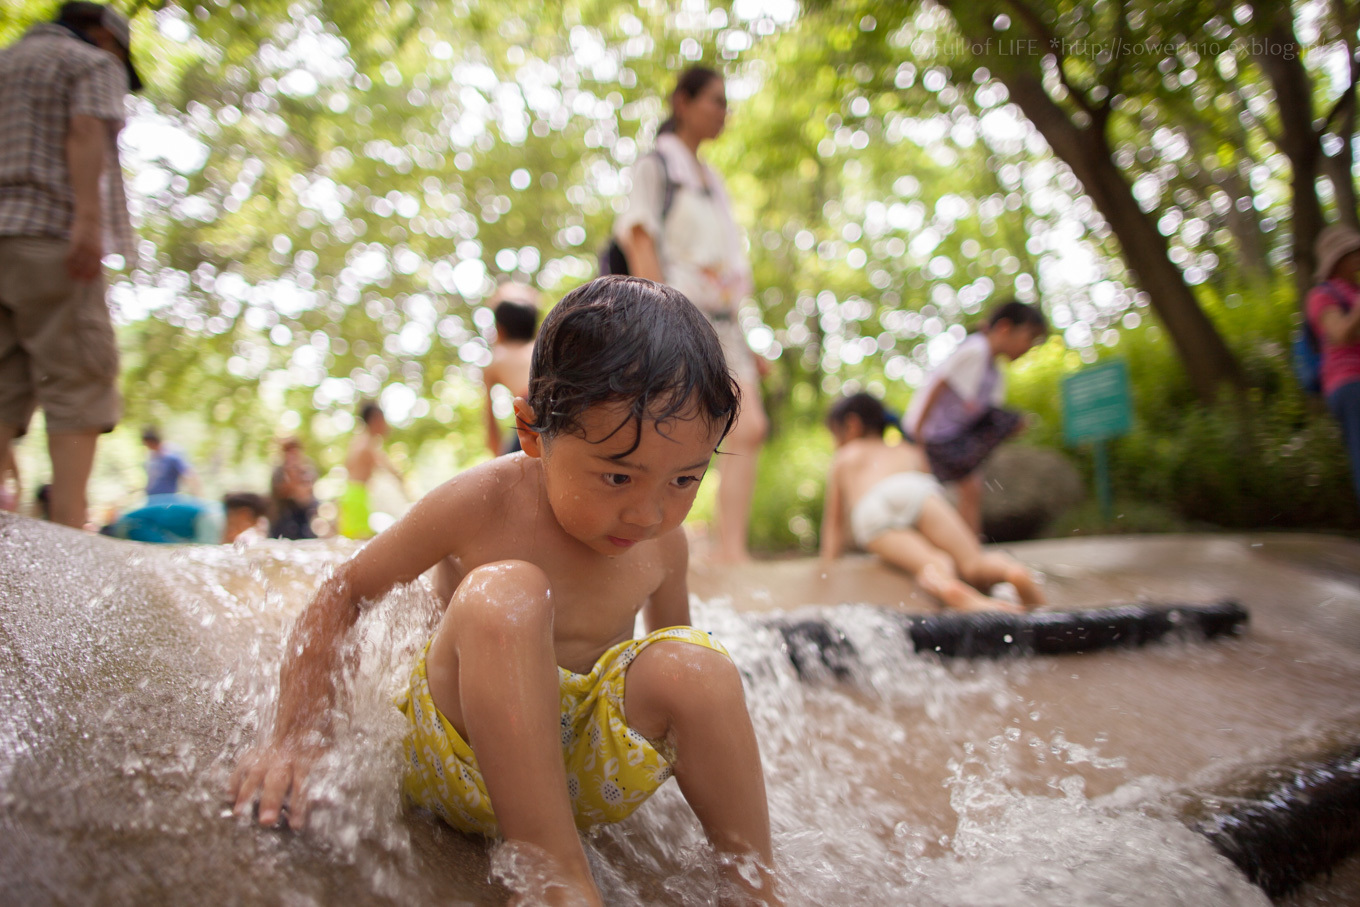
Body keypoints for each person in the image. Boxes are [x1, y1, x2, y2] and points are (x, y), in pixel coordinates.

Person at [230, 277, 781, 906]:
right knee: (509, 593)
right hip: (460, 753)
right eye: (617, 475)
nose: (648, 513)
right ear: (531, 430)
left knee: (694, 661)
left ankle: (754, 886)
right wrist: (297, 733)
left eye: (686, 478)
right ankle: (552, 876)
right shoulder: (482, 502)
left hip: (578, 775)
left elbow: (672, 683)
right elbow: (344, 593)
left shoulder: (664, 546)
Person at [614, 66, 769, 563]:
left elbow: (725, 268)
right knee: (672, 429)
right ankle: (650, 552)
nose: (724, 111)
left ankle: (732, 553)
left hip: (725, 323)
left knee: (749, 427)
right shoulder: (656, 166)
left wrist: (749, 339)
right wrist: (656, 320)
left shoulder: (713, 181)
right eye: (715, 100)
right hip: (679, 317)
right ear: (683, 101)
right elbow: (639, 236)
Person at [0, 2, 142, 529]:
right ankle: (67, 540)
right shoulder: (89, 64)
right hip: (52, 238)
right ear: (105, 35)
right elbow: (85, 131)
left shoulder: (5, 62)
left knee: (3, 389)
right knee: (80, 385)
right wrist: (87, 222)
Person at [822, 393, 1044, 613]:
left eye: (835, 433)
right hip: (916, 489)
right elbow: (929, 491)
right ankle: (1013, 573)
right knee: (974, 562)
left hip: (872, 506)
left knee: (934, 562)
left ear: (852, 424)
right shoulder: (909, 451)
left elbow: (834, 524)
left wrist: (828, 568)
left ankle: (951, 591)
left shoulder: (846, 455)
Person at [903, 299, 1048, 536]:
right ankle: (956, 546)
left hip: (952, 437)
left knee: (971, 488)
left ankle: (969, 547)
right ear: (1004, 328)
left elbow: (985, 412)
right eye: (1029, 337)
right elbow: (937, 386)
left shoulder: (995, 371)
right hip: (934, 436)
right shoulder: (976, 349)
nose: (1029, 347)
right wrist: (918, 435)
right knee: (942, 490)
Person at [1307, 224, 1360, 505]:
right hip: (1349, 382)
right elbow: (1339, 334)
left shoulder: (1353, 291)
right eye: (1352, 253)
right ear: (1338, 260)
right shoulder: (1322, 295)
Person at [481, 281, 540, 456]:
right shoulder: (540, 347)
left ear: (500, 329)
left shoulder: (497, 358)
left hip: (532, 405)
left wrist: (498, 456)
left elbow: (490, 421)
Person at [338, 401, 403, 539]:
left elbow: (347, 466)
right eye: (383, 420)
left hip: (350, 493)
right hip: (358, 495)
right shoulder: (368, 445)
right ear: (375, 420)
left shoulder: (357, 441)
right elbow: (390, 469)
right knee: (359, 540)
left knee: (352, 540)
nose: (386, 425)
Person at [101, 490, 268, 544]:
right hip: (133, 525)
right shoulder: (215, 519)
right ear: (245, 514)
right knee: (176, 552)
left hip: (130, 521)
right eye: (250, 524)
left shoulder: (214, 510)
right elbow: (204, 554)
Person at [270, 437, 318, 539]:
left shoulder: (307, 468)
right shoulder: (278, 471)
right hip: (283, 516)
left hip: (304, 516)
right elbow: (279, 493)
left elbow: (308, 494)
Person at [141, 425, 199, 497]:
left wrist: (196, 494)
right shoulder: (150, 458)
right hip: (152, 498)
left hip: (168, 498)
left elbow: (189, 475)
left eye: (148, 443)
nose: (147, 446)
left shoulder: (172, 457)